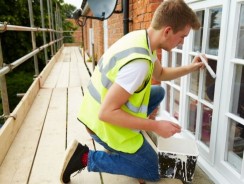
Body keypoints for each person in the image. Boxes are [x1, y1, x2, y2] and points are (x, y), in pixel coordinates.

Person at [60, 0, 206, 183]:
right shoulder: (139, 64)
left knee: (158, 92)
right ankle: (84, 157)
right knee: (153, 170)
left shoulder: (143, 39)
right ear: (167, 31)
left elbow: (160, 73)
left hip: (93, 111)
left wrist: (191, 68)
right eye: (182, 36)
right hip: (101, 125)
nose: (182, 42)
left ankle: (129, 142)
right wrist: (156, 126)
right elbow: (106, 113)